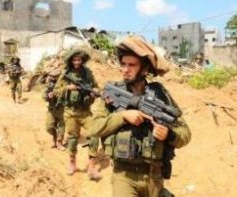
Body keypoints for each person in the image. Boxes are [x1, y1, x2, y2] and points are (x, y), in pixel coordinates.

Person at [90, 36, 191, 197]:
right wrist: (123, 116)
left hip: (153, 175)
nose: (125, 69)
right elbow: (94, 128)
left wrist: (169, 134)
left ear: (144, 69)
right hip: (124, 176)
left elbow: (185, 134)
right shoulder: (114, 93)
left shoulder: (160, 95)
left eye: (131, 65)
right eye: (123, 64)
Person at [53, 49, 101, 180]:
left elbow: (96, 87)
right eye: (74, 60)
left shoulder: (87, 73)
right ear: (71, 61)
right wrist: (67, 88)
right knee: (73, 138)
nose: (77, 62)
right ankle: (72, 164)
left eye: (79, 60)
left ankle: (91, 166)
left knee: (95, 134)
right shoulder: (66, 74)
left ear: (82, 60)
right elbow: (56, 91)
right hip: (71, 112)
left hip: (85, 111)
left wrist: (93, 92)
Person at [43, 70, 66, 151]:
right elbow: (43, 96)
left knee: (61, 127)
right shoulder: (49, 85)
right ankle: (54, 138)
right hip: (51, 109)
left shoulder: (64, 84)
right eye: (51, 76)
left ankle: (59, 143)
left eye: (55, 76)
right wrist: (48, 96)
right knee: (49, 127)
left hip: (62, 109)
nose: (53, 78)